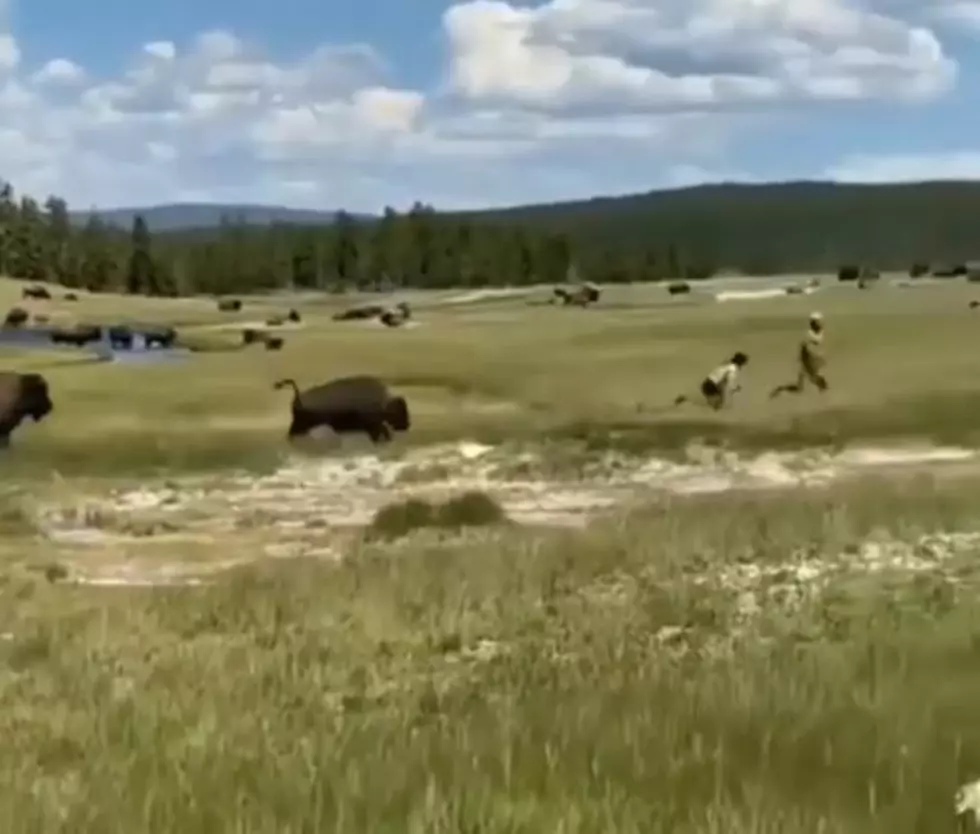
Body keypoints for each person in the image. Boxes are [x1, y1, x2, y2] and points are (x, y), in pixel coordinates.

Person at [770, 312, 828, 398]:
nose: (820, 323)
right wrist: (808, 364)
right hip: (808, 363)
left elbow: (816, 347)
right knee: (816, 383)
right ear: (813, 323)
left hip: (812, 362)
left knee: (801, 387)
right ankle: (781, 389)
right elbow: (805, 350)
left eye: (820, 322)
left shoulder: (819, 333)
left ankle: (781, 389)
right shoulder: (810, 335)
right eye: (818, 322)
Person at [674, 351, 749, 410]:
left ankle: (686, 398)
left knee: (716, 404)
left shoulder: (727, 364)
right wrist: (734, 389)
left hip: (708, 383)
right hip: (711, 385)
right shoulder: (733, 369)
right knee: (715, 404)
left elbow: (723, 382)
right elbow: (729, 382)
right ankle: (686, 398)